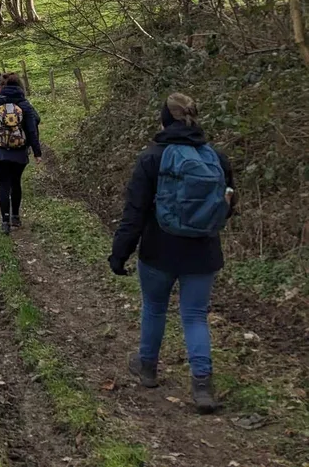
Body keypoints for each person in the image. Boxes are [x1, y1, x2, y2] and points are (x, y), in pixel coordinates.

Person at [108, 93, 235, 414]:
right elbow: (227, 208)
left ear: (164, 119)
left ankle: (147, 366)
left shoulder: (151, 158)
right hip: (203, 253)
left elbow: (134, 212)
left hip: (158, 250)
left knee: (154, 307)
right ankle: (203, 385)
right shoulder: (217, 159)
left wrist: (120, 253)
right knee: (194, 316)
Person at [0, 74, 42, 235]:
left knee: (3, 185)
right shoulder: (25, 105)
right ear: (20, 87)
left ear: (2, 86)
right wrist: (36, 152)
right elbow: (32, 129)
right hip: (19, 153)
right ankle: (15, 216)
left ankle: (4, 221)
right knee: (16, 183)